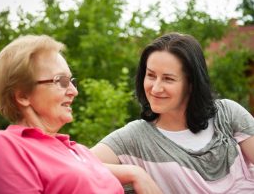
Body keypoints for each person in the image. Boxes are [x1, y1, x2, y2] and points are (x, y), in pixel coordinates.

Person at [91, 32, 254, 194]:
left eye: (168, 79)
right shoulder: (135, 137)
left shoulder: (228, 114)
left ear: (191, 84)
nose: (155, 88)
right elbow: (77, 165)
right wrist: (135, 174)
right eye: (151, 75)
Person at [0, 35, 124, 194]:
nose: (74, 91)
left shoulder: (79, 150)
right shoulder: (6, 144)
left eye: (71, 81)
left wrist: (135, 173)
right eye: (61, 81)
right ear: (23, 95)